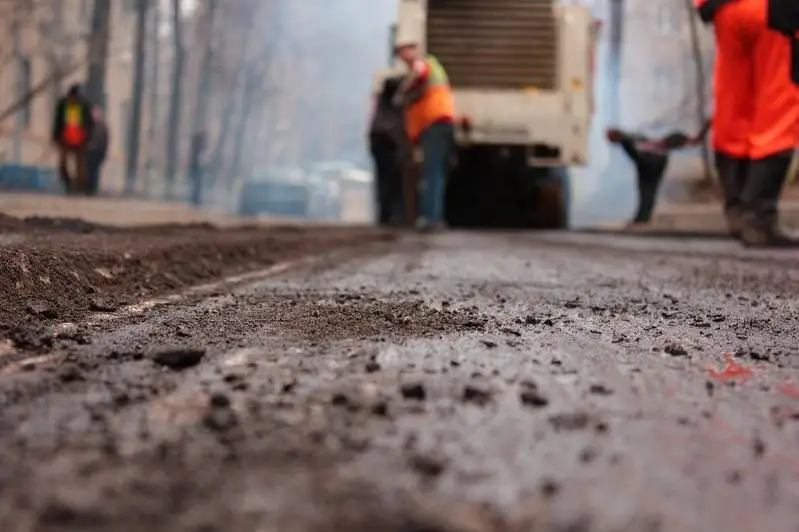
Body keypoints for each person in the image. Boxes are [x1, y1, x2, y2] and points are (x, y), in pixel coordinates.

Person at [695, 0, 799, 247]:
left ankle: (738, 210)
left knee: (734, 103)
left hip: (725, 8)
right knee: (778, 106)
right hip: (774, 11)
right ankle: (759, 218)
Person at [392, 39, 456, 232]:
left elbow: (420, 74)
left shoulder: (424, 64)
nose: (404, 56)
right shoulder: (424, 68)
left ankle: (430, 218)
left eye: (407, 50)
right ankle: (432, 216)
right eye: (401, 52)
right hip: (435, 124)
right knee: (434, 172)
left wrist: (402, 92)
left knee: (432, 171)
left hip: (435, 123)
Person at [607, 121, 711, 228]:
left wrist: (707, 126)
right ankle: (642, 219)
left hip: (649, 159)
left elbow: (694, 141)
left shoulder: (633, 141)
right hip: (656, 159)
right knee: (648, 189)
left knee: (647, 189)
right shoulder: (639, 140)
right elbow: (695, 141)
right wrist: (706, 126)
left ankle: (642, 219)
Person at [369, 76, 408, 226]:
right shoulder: (396, 104)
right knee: (393, 180)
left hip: (377, 140)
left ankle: (384, 215)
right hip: (390, 142)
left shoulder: (381, 102)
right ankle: (395, 215)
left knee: (382, 179)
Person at [52, 84, 94, 194]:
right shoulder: (63, 104)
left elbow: (89, 124)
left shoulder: (84, 106)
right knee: (62, 164)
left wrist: (88, 138)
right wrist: (56, 137)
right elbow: (57, 121)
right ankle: (68, 184)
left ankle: (79, 187)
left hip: (80, 141)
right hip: (65, 139)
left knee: (80, 167)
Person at [86, 106, 109, 196]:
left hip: (97, 154)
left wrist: (103, 153)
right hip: (89, 153)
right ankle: (88, 188)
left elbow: (105, 141)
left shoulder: (102, 127)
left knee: (94, 172)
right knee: (89, 171)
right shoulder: (89, 125)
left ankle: (92, 189)